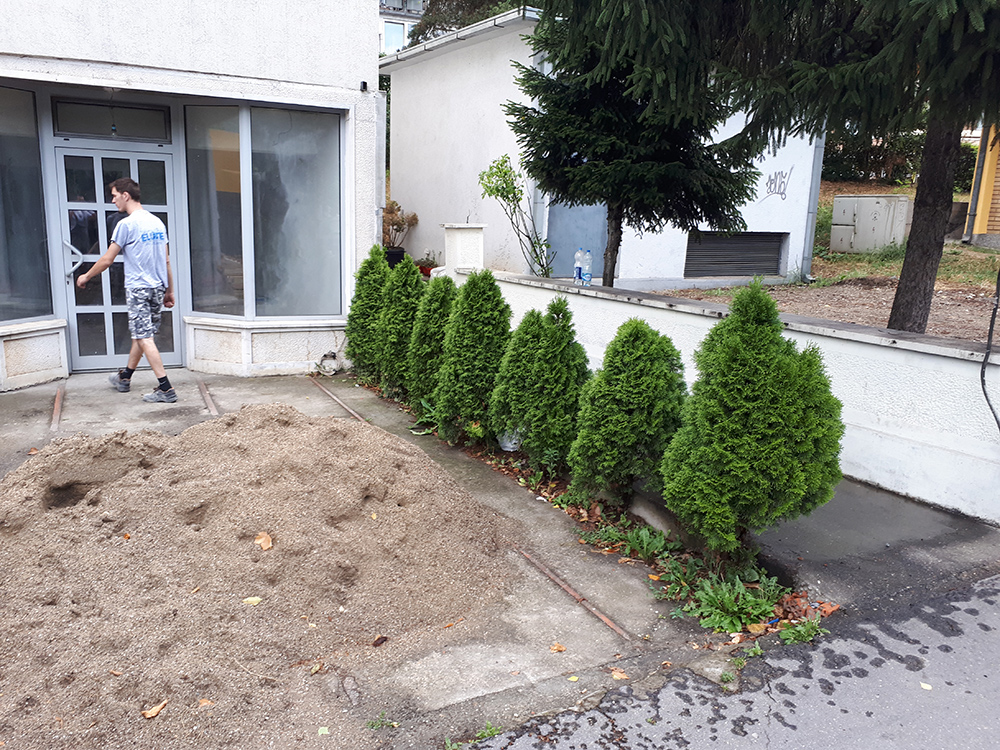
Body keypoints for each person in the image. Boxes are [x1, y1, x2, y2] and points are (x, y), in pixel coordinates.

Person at [76, 177, 178, 403]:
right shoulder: (157, 223)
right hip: (157, 287)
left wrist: (86, 275)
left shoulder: (126, 225)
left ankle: (165, 388)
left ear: (126, 195)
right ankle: (125, 378)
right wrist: (170, 290)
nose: (113, 201)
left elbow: (107, 259)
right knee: (140, 335)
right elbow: (167, 261)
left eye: (114, 196)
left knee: (144, 336)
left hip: (138, 289)